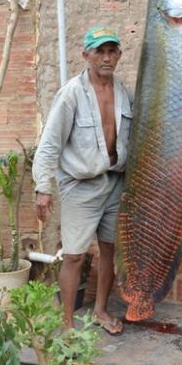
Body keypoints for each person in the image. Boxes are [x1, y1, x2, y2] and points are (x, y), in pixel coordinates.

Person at [32, 26, 133, 335]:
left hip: (115, 183)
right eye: (99, 51)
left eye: (111, 50)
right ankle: (65, 323)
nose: (106, 57)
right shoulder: (71, 93)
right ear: (86, 55)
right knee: (74, 255)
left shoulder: (123, 93)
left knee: (109, 250)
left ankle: (101, 309)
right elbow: (50, 143)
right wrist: (43, 187)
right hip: (81, 185)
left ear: (118, 55)